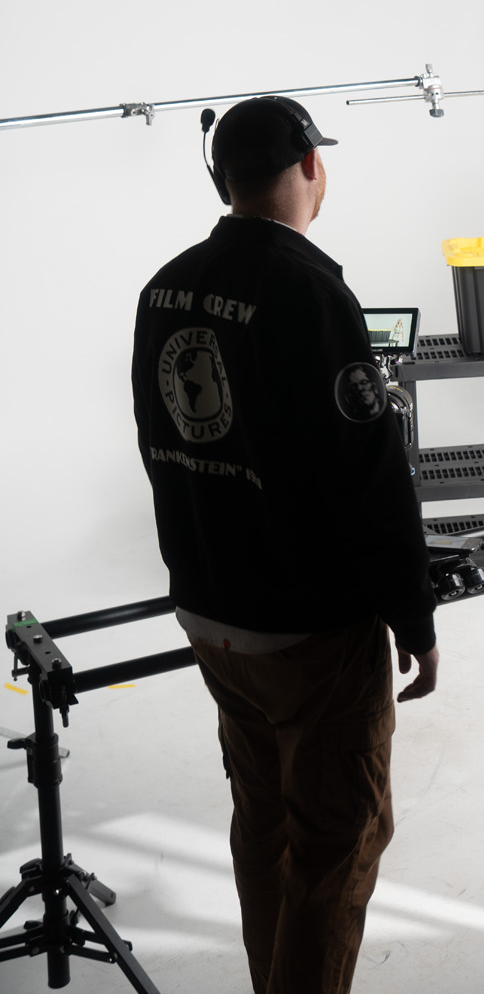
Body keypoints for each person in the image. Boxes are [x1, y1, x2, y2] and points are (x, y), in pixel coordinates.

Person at [131, 95, 438, 994]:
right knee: (339, 845)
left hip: (213, 616)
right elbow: (370, 475)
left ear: (222, 178)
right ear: (310, 168)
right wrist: (412, 614)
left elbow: (167, 447)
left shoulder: (164, 287)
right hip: (309, 632)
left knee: (261, 819)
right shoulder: (312, 292)